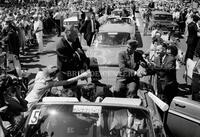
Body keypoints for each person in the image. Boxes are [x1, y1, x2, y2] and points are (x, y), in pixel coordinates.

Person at [25, 66, 91, 109]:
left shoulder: (39, 74)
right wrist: (80, 76)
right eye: (56, 76)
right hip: (31, 103)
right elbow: (67, 82)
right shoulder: (47, 84)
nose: (57, 78)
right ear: (53, 76)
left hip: (27, 99)